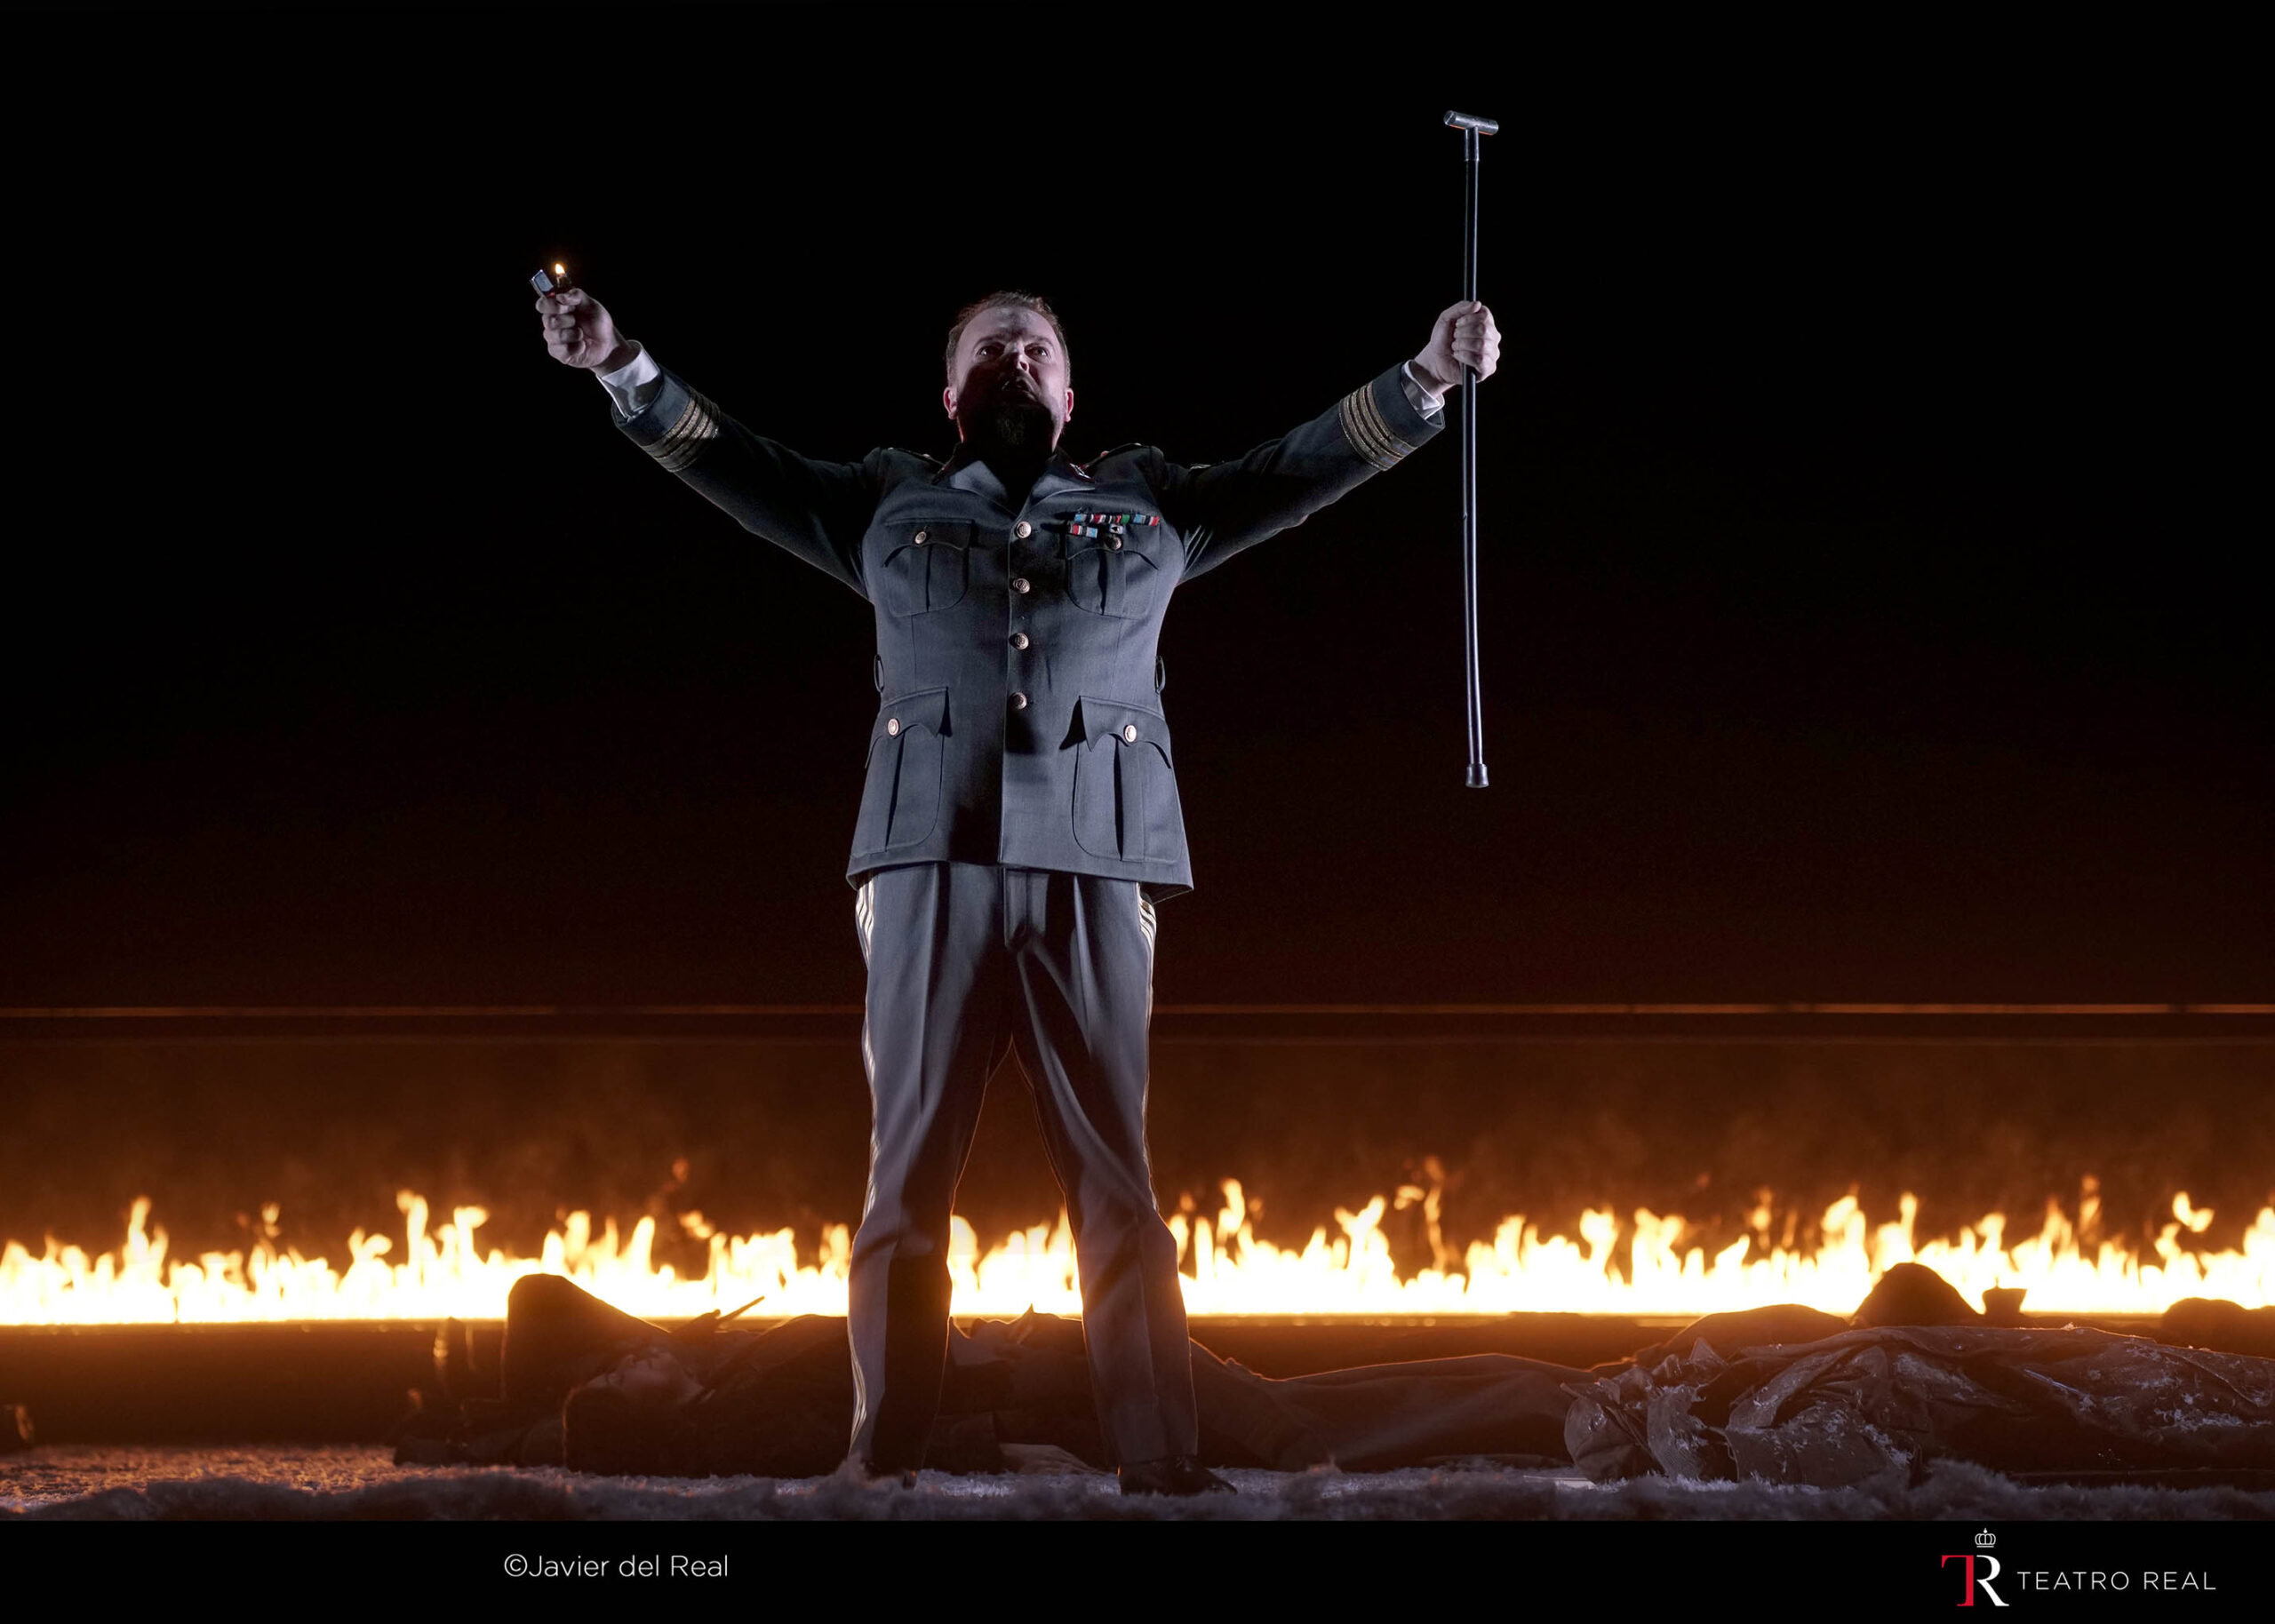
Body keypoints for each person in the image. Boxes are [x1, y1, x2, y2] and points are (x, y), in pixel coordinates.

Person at [535, 280, 1502, 1494]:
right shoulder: (887, 501)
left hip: (1097, 861)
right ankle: (882, 1463)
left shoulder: (1148, 501)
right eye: (990, 349)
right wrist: (622, 364)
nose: (1014, 360)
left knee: (1117, 1184)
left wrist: (1422, 381)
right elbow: (735, 463)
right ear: (950, 397)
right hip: (929, 852)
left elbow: (1291, 471)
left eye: (1035, 348)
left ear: (1068, 392)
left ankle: (1160, 1461)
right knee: (907, 1180)